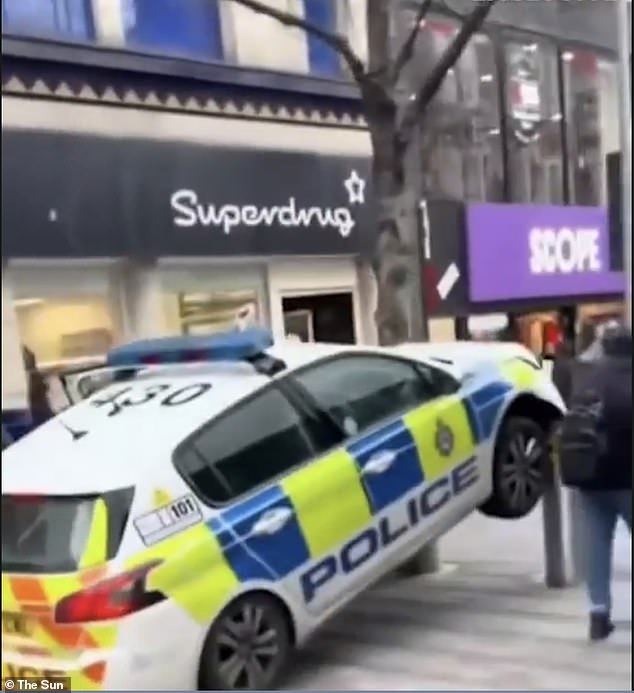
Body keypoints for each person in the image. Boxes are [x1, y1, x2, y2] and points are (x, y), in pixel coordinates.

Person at [568, 323, 632, 641]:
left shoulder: (585, 378)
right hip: (628, 478)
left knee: (596, 548)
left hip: (589, 477)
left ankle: (598, 613)